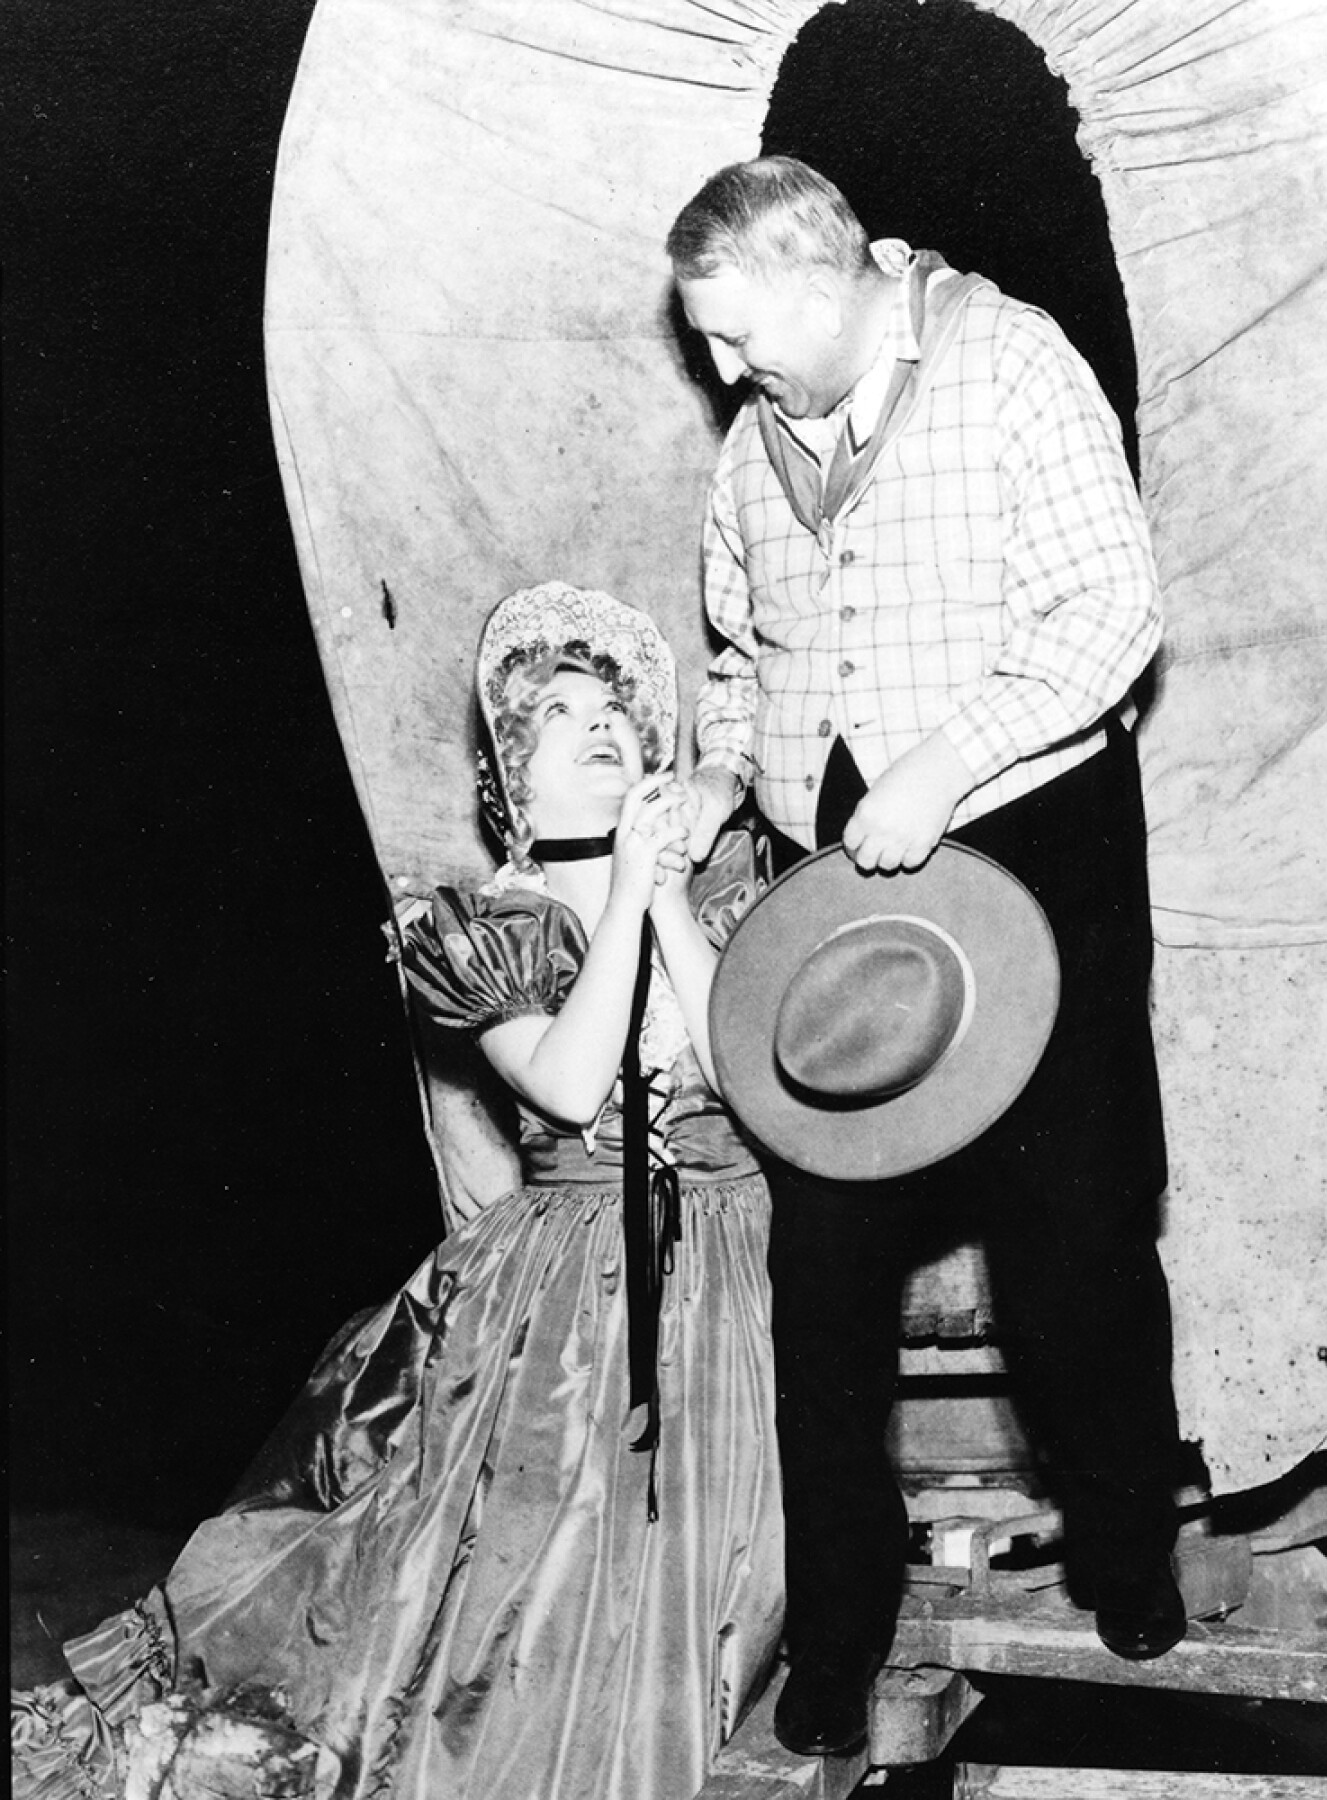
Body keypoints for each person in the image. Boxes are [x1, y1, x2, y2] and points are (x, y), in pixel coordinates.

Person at [13, 583, 784, 1800]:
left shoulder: (725, 890)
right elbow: (572, 1084)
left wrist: (673, 893)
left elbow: (748, 1079)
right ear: (512, 787)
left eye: (616, 716)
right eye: (559, 716)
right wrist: (630, 894)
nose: (599, 726)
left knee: (718, 1580)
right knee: (535, 1598)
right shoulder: (486, 925)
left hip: (735, 1268)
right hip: (571, 1293)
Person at [665, 156, 1187, 1757]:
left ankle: (1124, 1552)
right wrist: (723, 772)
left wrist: (946, 764)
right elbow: (743, 648)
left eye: (740, 336)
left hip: (1030, 858)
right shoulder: (755, 445)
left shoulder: (1011, 364)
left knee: (1076, 1245)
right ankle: (839, 1634)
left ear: (824, 278)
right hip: (840, 908)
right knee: (822, 1278)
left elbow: (1113, 614)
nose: (723, 373)